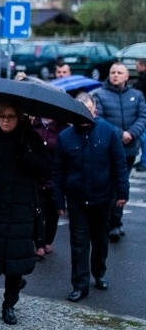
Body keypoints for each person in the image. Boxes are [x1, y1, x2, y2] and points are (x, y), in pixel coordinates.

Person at [0, 101, 50, 325]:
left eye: (10, 116)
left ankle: (9, 302)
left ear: (19, 118)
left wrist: (25, 155)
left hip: (23, 207)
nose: (5, 120)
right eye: (1, 116)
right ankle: (16, 280)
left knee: (16, 255)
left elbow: (45, 168)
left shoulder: (30, 138)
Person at [53, 94, 128, 302]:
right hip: (77, 199)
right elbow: (58, 172)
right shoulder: (65, 137)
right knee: (79, 243)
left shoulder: (108, 132)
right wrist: (58, 200)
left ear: (94, 110)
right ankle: (79, 284)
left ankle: (99, 272)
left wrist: (122, 192)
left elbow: (119, 164)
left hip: (102, 198)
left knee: (100, 239)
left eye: (88, 110)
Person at [92, 63, 146, 242]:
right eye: (112, 72)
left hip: (129, 149)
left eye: (119, 72)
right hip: (108, 148)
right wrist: (120, 133)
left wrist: (131, 133)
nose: (115, 75)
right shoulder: (99, 95)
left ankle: (116, 222)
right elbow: (99, 119)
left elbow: (142, 117)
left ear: (126, 76)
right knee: (108, 185)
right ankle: (106, 222)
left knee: (122, 185)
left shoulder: (136, 95)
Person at [30, 116, 69, 258]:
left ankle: (48, 241)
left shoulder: (63, 128)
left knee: (53, 212)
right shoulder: (33, 125)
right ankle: (39, 243)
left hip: (55, 176)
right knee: (38, 211)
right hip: (37, 176)